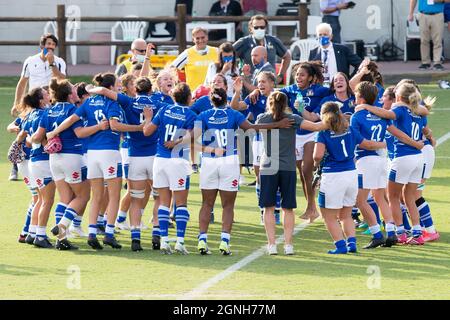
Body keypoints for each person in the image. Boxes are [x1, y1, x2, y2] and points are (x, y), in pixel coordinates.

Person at [167, 88, 293, 255]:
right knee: (228, 205)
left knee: (206, 204)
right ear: (226, 99)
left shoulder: (203, 115)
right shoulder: (233, 114)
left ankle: (202, 240)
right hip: (229, 161)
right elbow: (252, 128)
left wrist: (176, 142)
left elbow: (192, 139)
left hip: (209, 161)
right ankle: (224, 242)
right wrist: (277, 124)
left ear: (211, 101)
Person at [47, 73, 143, 250]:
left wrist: (53, 133)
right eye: (119, 84)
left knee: (96, 196)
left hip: (91, 154)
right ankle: (109, 233)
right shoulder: (113, 103)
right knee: (113, 196)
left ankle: (92, 232)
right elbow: (114, 126)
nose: (120, 87)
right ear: (110, 88)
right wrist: (138, 128)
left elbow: (71, 120)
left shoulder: (89, 102)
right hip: (109, 152)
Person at [87, 76, 162, 252]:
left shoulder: (128, 102)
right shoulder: (158, 104)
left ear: (135, 90)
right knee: (159, 197)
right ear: (150, 90)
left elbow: (105, 91)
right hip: (154, 157)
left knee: (135, 198)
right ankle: (157, 235)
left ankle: (135, 238)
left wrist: (90, 89)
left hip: (134, 157)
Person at [355, 83, 429, 245]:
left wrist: (366, 106)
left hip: (403, 157)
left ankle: (400, 232)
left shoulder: (400, 110)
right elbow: (424, 122)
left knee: (392, 197)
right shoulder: (418, 111)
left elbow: (387, 114)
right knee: (409, 197)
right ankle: (417, 233)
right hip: (418, 158)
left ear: (399, 96)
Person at [256, 92, 326, 255]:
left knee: (269, 208)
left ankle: (271, 245)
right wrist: (334, 118)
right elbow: (316, 127)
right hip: (287, 167)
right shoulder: (293, 118)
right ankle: (288, 246)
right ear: (286, 103)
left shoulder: (262, 118)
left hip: (268, 167)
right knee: (288, 208)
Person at [313, 102, 386, 254]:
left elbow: (317, 155)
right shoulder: (349, 128)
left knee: (329, 216)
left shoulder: (323, 133)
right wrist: (384, 143)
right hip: (352, 174)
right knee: (345, 215)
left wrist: (316, 164)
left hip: (333, 175)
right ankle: (351, 244)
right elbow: (367, 144)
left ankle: (340, 246)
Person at [33, 79, 90, 250]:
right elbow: (79, 133)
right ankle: (63, 226)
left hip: (54, 159)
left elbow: (39, 136)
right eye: (73, 89)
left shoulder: (48, 112)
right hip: (72, 156)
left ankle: (61, 239)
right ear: (69, 94)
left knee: (64, 198)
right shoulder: (73, 110)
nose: (76, 91)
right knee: (82, 196)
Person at [143, 83, 197, 255]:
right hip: (178, 161)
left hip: (159, 161)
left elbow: (147, 132)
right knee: (181, 203)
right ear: (188, 98)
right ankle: (180, 241)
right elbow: (194, 135)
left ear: (173, 97)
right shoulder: (191, 114)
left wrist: (148, 119)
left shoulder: (164, 110)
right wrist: (176, 142)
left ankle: (164, 240)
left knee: (163, 202)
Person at [10, 33, 66, 181]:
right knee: (23, 129)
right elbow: (22, 82)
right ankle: (16, 164)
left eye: (53, 45)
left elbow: (62, 80)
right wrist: (17, 103)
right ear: (42, 46)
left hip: (51, 102)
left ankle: (50, 160)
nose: (51, 47)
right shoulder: (30, 61)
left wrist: (52, 64)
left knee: (48, 131)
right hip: (32, 102)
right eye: (48, 44)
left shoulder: (59, 61)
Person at [279, 61, 330, 222]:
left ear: (310, 78)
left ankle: (312, 206)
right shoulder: (289, 91)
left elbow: (336, 91)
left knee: (306, 167)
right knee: (302, 173)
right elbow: (273, 95)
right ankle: (311, 206)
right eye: (297, 74)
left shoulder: (319, 91)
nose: (298, 77)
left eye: (302, 74)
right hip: (295, 134)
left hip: (312, 133)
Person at [231, 72, 281, 224]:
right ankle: (263, 211)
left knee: (275, 178)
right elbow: (235, 107)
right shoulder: (255, 97)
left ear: (272, 83)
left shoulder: (281, 96)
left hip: (276, 140)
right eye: (259, 82)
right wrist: (238, 91)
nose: (260, 84)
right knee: (260, 178)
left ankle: (276, 211)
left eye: (264, 81)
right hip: (259, 140)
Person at [16, 87, 56, 249]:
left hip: (33, 160)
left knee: (40, 199)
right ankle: (40, 235)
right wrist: (48, 142)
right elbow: (37, 137)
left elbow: (24, 140)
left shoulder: (30, 115)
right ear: (41, 100)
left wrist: (37, 141)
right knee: (47, 200)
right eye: (46, 94)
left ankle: (32, 233)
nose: (48, 94)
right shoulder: (44, 114)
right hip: (43, 161)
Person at [7, 95, 40, 243]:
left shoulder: (34, 115)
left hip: (29, 162)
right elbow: (9, 127)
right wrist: (18, 130)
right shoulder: (26, 116)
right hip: (26, 162)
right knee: (38, 198)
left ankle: (28, 231)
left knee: (38, 197)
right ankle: (27, 232)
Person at [233, 15, 291, 84]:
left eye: (262, 27)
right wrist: (236, 73)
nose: (259, 29)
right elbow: (229, 54)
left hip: (269, 84)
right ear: (250, 29)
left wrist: (280, 76)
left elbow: (287, 56)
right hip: (250, 84)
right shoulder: (244, 42)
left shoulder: (273, 41)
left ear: (265, 28)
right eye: (256, 27)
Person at [171, 27, 219, 93]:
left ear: (207, 37)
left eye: (203, 37)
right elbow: (172, 68)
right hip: (194, 95)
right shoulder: (187, 53)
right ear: (193, 39)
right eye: (197, 38)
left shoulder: (216, 51)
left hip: (213, 94)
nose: (200, 40)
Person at [409, 0, 445, 70]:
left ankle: (437, 62)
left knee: (438, 40)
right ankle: (425, 63)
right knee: (424, 40)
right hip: (423, 15)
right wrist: (411, 13)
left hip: (437, 15)